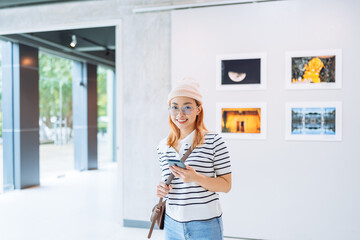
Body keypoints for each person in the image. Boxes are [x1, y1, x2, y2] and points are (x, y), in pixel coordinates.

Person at [156, 77, 232, 240]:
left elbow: (226, 186)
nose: (180, 114)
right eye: (174, 107)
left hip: (205, 224)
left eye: (187, 107)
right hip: (172, 223)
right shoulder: (163, 146)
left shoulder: (214, 141)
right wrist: (162, 189)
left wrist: (195, 177)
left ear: (198, 109)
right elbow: (171, 186)